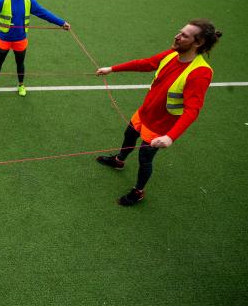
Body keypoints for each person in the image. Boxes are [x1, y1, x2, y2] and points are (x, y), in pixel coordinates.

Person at [95, 19, 222, 206]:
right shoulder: (173, 54)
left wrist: (170, 137)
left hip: (161, 126)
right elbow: (146, 63)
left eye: (184, 35)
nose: (177, 37)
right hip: (144, 112)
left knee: (144, 158)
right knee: (129, 134)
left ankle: (138, 191)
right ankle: (119, 160)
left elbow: (192, 110)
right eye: (179, 32)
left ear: (198, 43)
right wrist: (112, 69)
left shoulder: (200, 72)